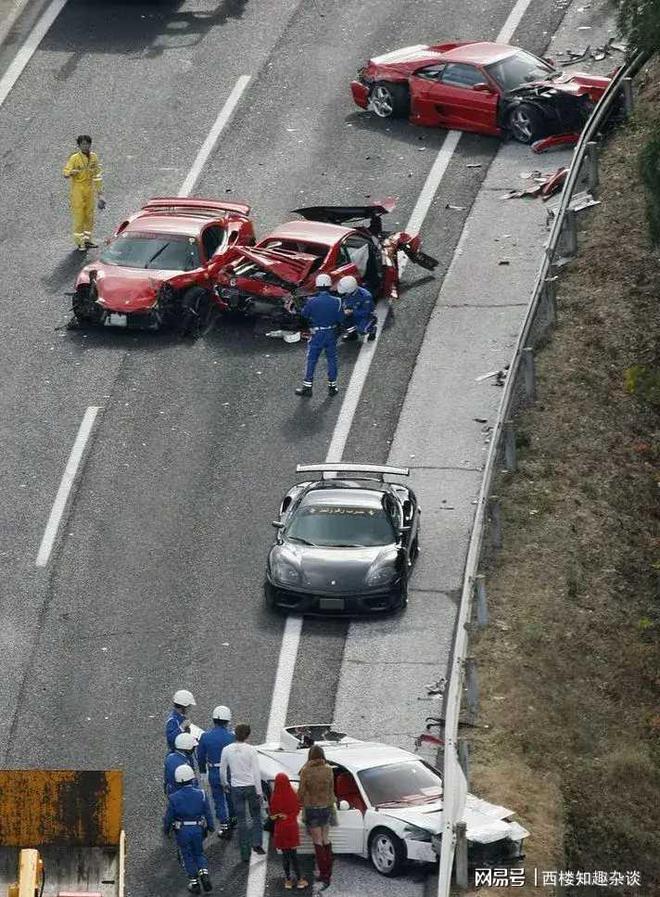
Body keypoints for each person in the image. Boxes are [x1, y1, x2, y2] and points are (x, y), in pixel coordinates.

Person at [163, 764, 214, 894]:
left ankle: (194, 883)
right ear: (192, 777)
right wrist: (211, 826)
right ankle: (204, 872)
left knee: (187, 855)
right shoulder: (201, 794)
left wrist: (166, 829)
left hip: (183, 830)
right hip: (198, 828)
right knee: (199, 852)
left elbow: (169, 817)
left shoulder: (174, 797)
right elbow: (207, 812)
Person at [219, 723, 264, 862]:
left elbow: (222, 770)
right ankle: (257, 843)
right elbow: (256, 772)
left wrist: (225, 784)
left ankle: (245, 853)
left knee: (242, 820)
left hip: (236, 788)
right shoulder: (251, 750)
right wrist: (259, 792)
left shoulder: (226, 750)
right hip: (250, 786)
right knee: (256, 816)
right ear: (248, 735)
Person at [295, 273, 344, 398]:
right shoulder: (337, 301)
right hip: (331, 333)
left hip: (317, 334)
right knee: (332, 359)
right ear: (329, 285)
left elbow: (304, 315)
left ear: (317, 286)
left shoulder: (312, 302)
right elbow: (341, 319)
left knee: (312, 360)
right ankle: (332, 387)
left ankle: (307, 387)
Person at [297, 745, 335, 891]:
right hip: (326, 807)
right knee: (326, 840)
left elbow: (301, 792)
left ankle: (324, 873)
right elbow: (332, 788)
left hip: (312, 809)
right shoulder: (328, 769)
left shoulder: (306, 771)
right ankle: (328, 872)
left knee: (317, 842)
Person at [197, 705, 236, 838]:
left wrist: (203, 773)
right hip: (229, 771)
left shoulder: (205, 737)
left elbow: (200, 756)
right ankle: (233, 820)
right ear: (227, 720)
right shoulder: (231, 737)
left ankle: (224, 825)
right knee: (231, 798)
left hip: (214, 771)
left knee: (218, 800)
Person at [62, 135, 105, 252]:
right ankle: (80, 242)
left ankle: (87, 240)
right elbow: (65, 173)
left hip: (89, 190)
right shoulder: (74, 158)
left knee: (89, 217)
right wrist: (71, 172)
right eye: (83, 144)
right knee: (79, 217)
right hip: (78, 191)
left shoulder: (94, 157)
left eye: (87, 144)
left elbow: (97, 176)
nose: (85, 146)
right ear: (79, 145)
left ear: (90, 144)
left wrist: (100, 194)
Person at [269, 772, 308, 890]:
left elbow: (272, 815)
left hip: (280, 829)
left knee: (285, 857)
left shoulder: (274, 796)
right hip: (291, 828)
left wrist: (279, 815)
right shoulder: (292, 794)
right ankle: (300, 879)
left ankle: (288, 880)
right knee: (294, 856)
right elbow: (297, 809)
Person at [337, 275, 377, 342]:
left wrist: (352, 311)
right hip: (352, 314)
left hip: (366, 317)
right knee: (342, 319)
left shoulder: (365, 296)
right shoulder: (348, 294)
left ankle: (372, 329)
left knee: (362, 330)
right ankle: (352, 334)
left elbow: (366, 312)